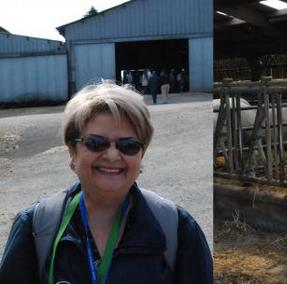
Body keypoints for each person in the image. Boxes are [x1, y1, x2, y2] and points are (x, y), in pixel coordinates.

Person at [0, 81, 213, 283]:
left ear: (141, 154)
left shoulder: (178, 229)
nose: (112, 155)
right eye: (95, 143)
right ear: (73, 151)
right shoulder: (36, 227)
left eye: (128, 145)